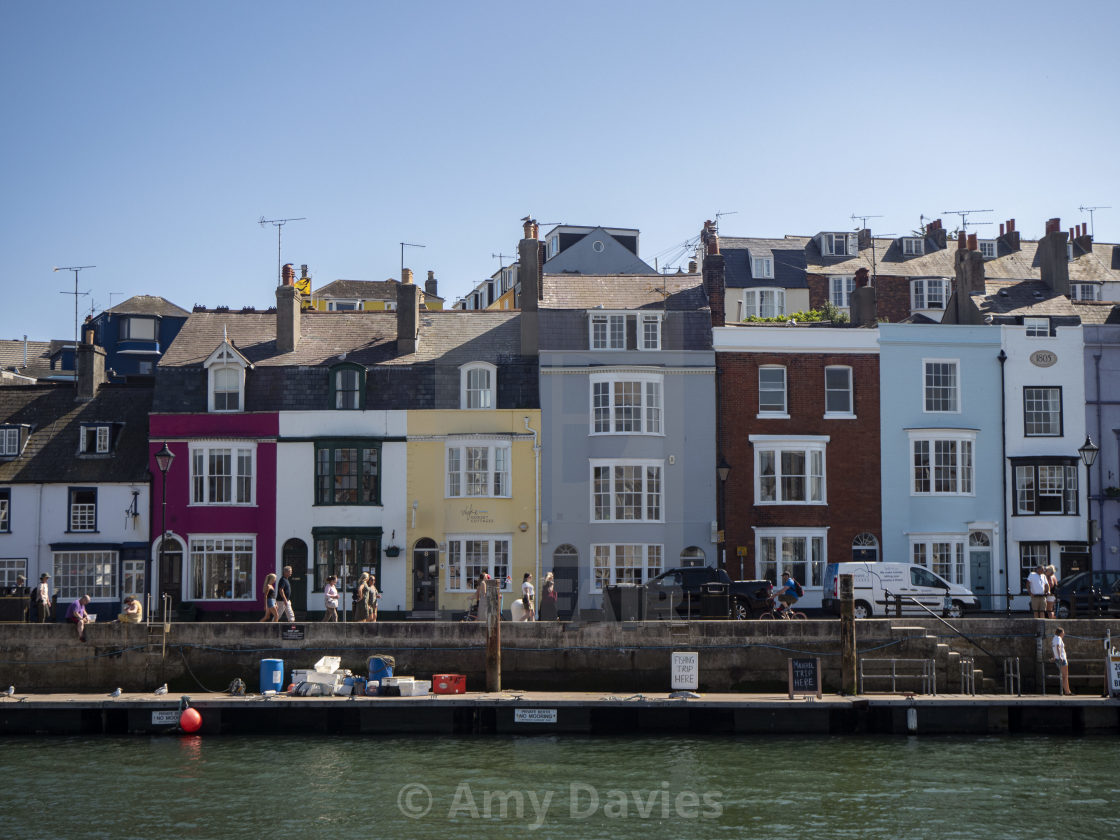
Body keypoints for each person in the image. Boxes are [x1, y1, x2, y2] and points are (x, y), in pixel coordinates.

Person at [1052, 627, 1072, 695]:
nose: (1064, 634)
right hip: (1062, 659)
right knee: (1065, 676)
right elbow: (1058, 647)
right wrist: (1060, 656)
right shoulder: (1058, 638)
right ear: (1060, 633)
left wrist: (1055, 656)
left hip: (1057, 659)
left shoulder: (1054, 638)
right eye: (1063, 633)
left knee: (1063, 676)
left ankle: (1067, 690)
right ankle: (1067, 691)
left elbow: (1054, 648)